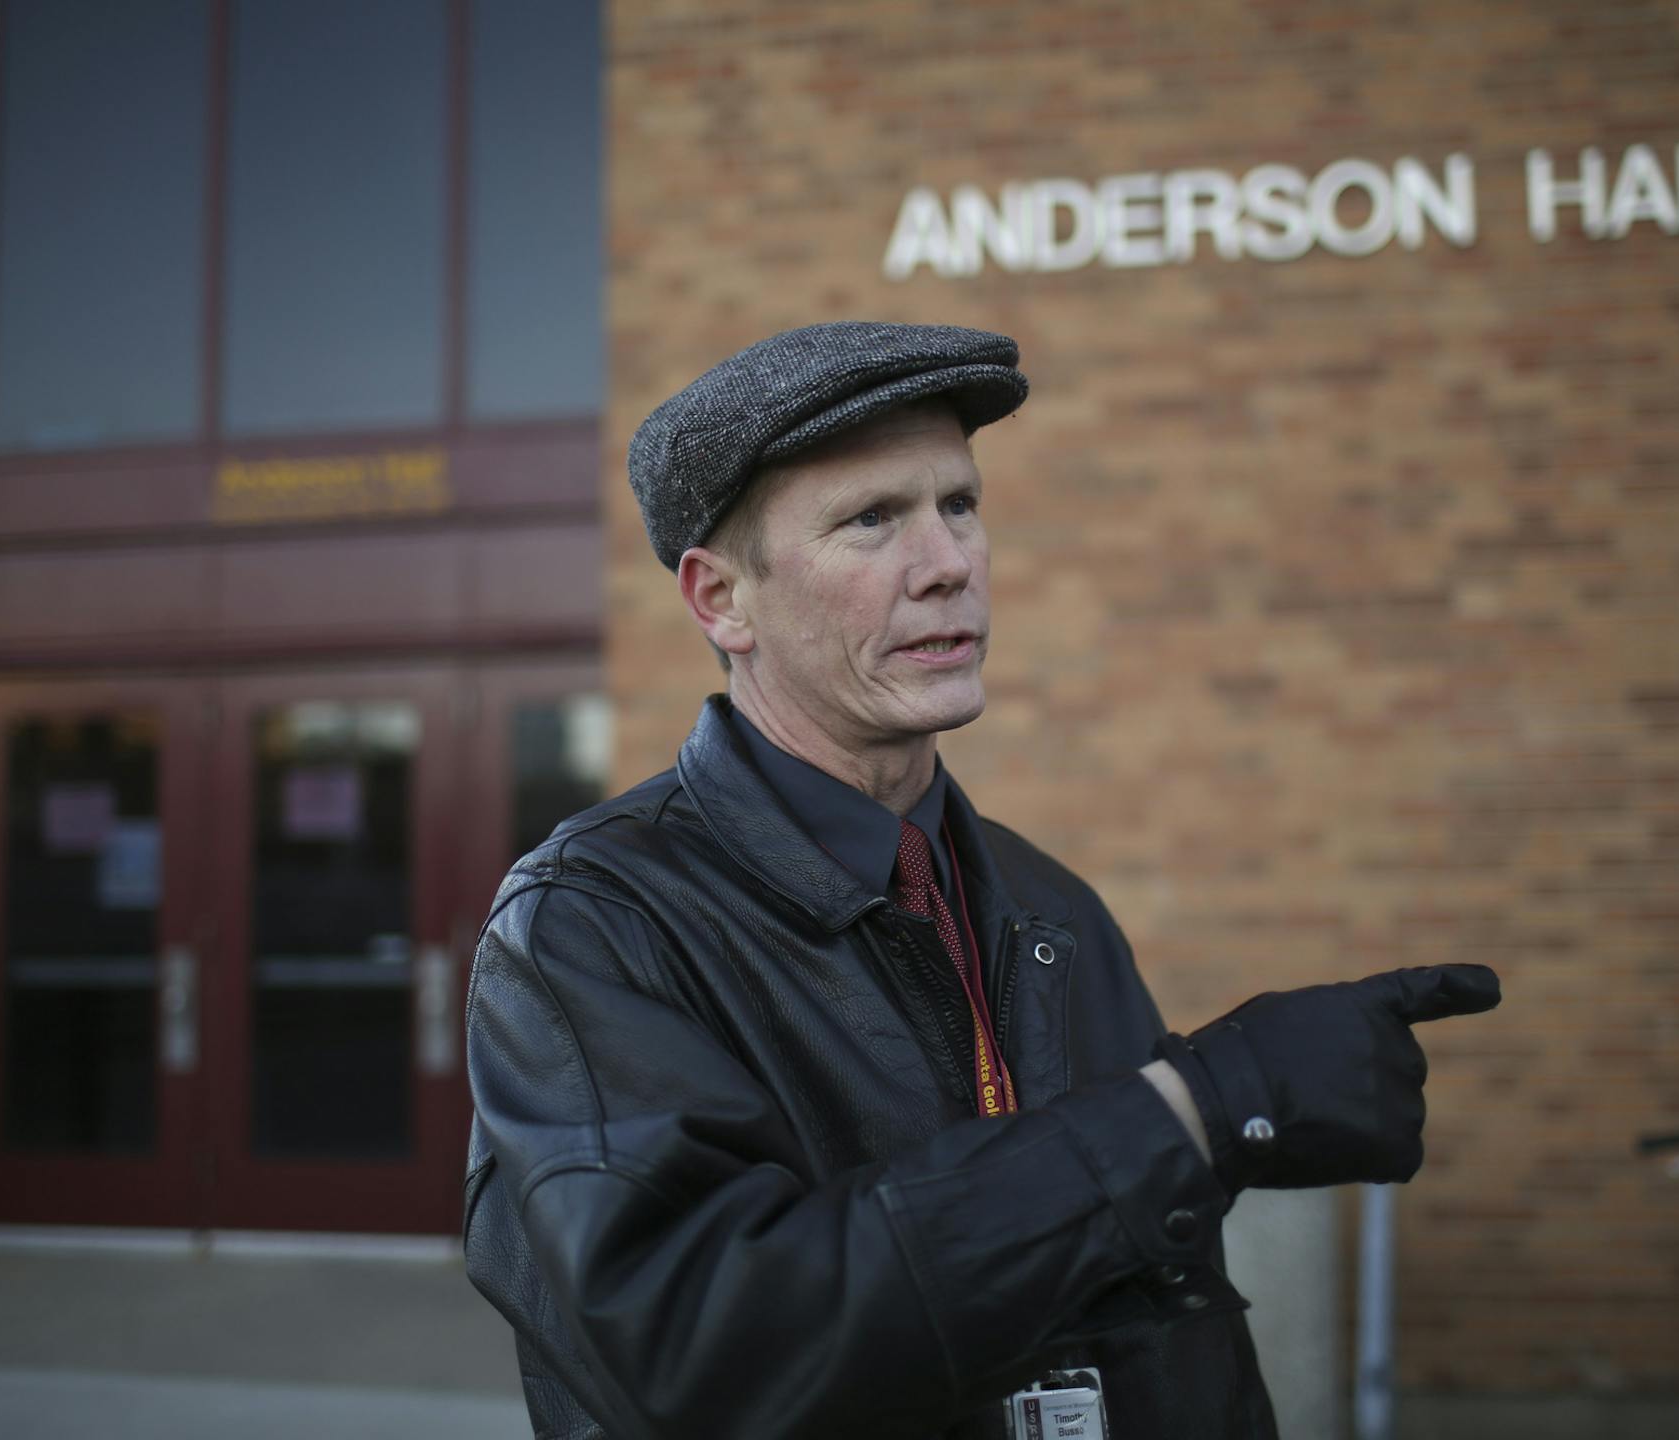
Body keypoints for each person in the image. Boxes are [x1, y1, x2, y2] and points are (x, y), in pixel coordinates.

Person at [463, 321, 1500, 1439]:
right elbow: (700, 1348)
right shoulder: (591, 925)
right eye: (873, 521)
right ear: (722, 601)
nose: (949, 562)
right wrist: (1195, 1110)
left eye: (958, 504)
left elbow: (1162, 1332)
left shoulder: (1046, 903)